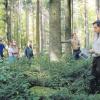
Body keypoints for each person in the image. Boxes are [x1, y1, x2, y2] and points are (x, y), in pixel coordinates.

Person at [89, 20, 100, 94]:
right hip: (95, 58)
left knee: (98, 74)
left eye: (95, 27)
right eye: (93, 28)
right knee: (92, 75)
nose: (94, 29)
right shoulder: (96, 35)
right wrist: (92, 50)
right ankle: (93, 92)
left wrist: (94, 51)